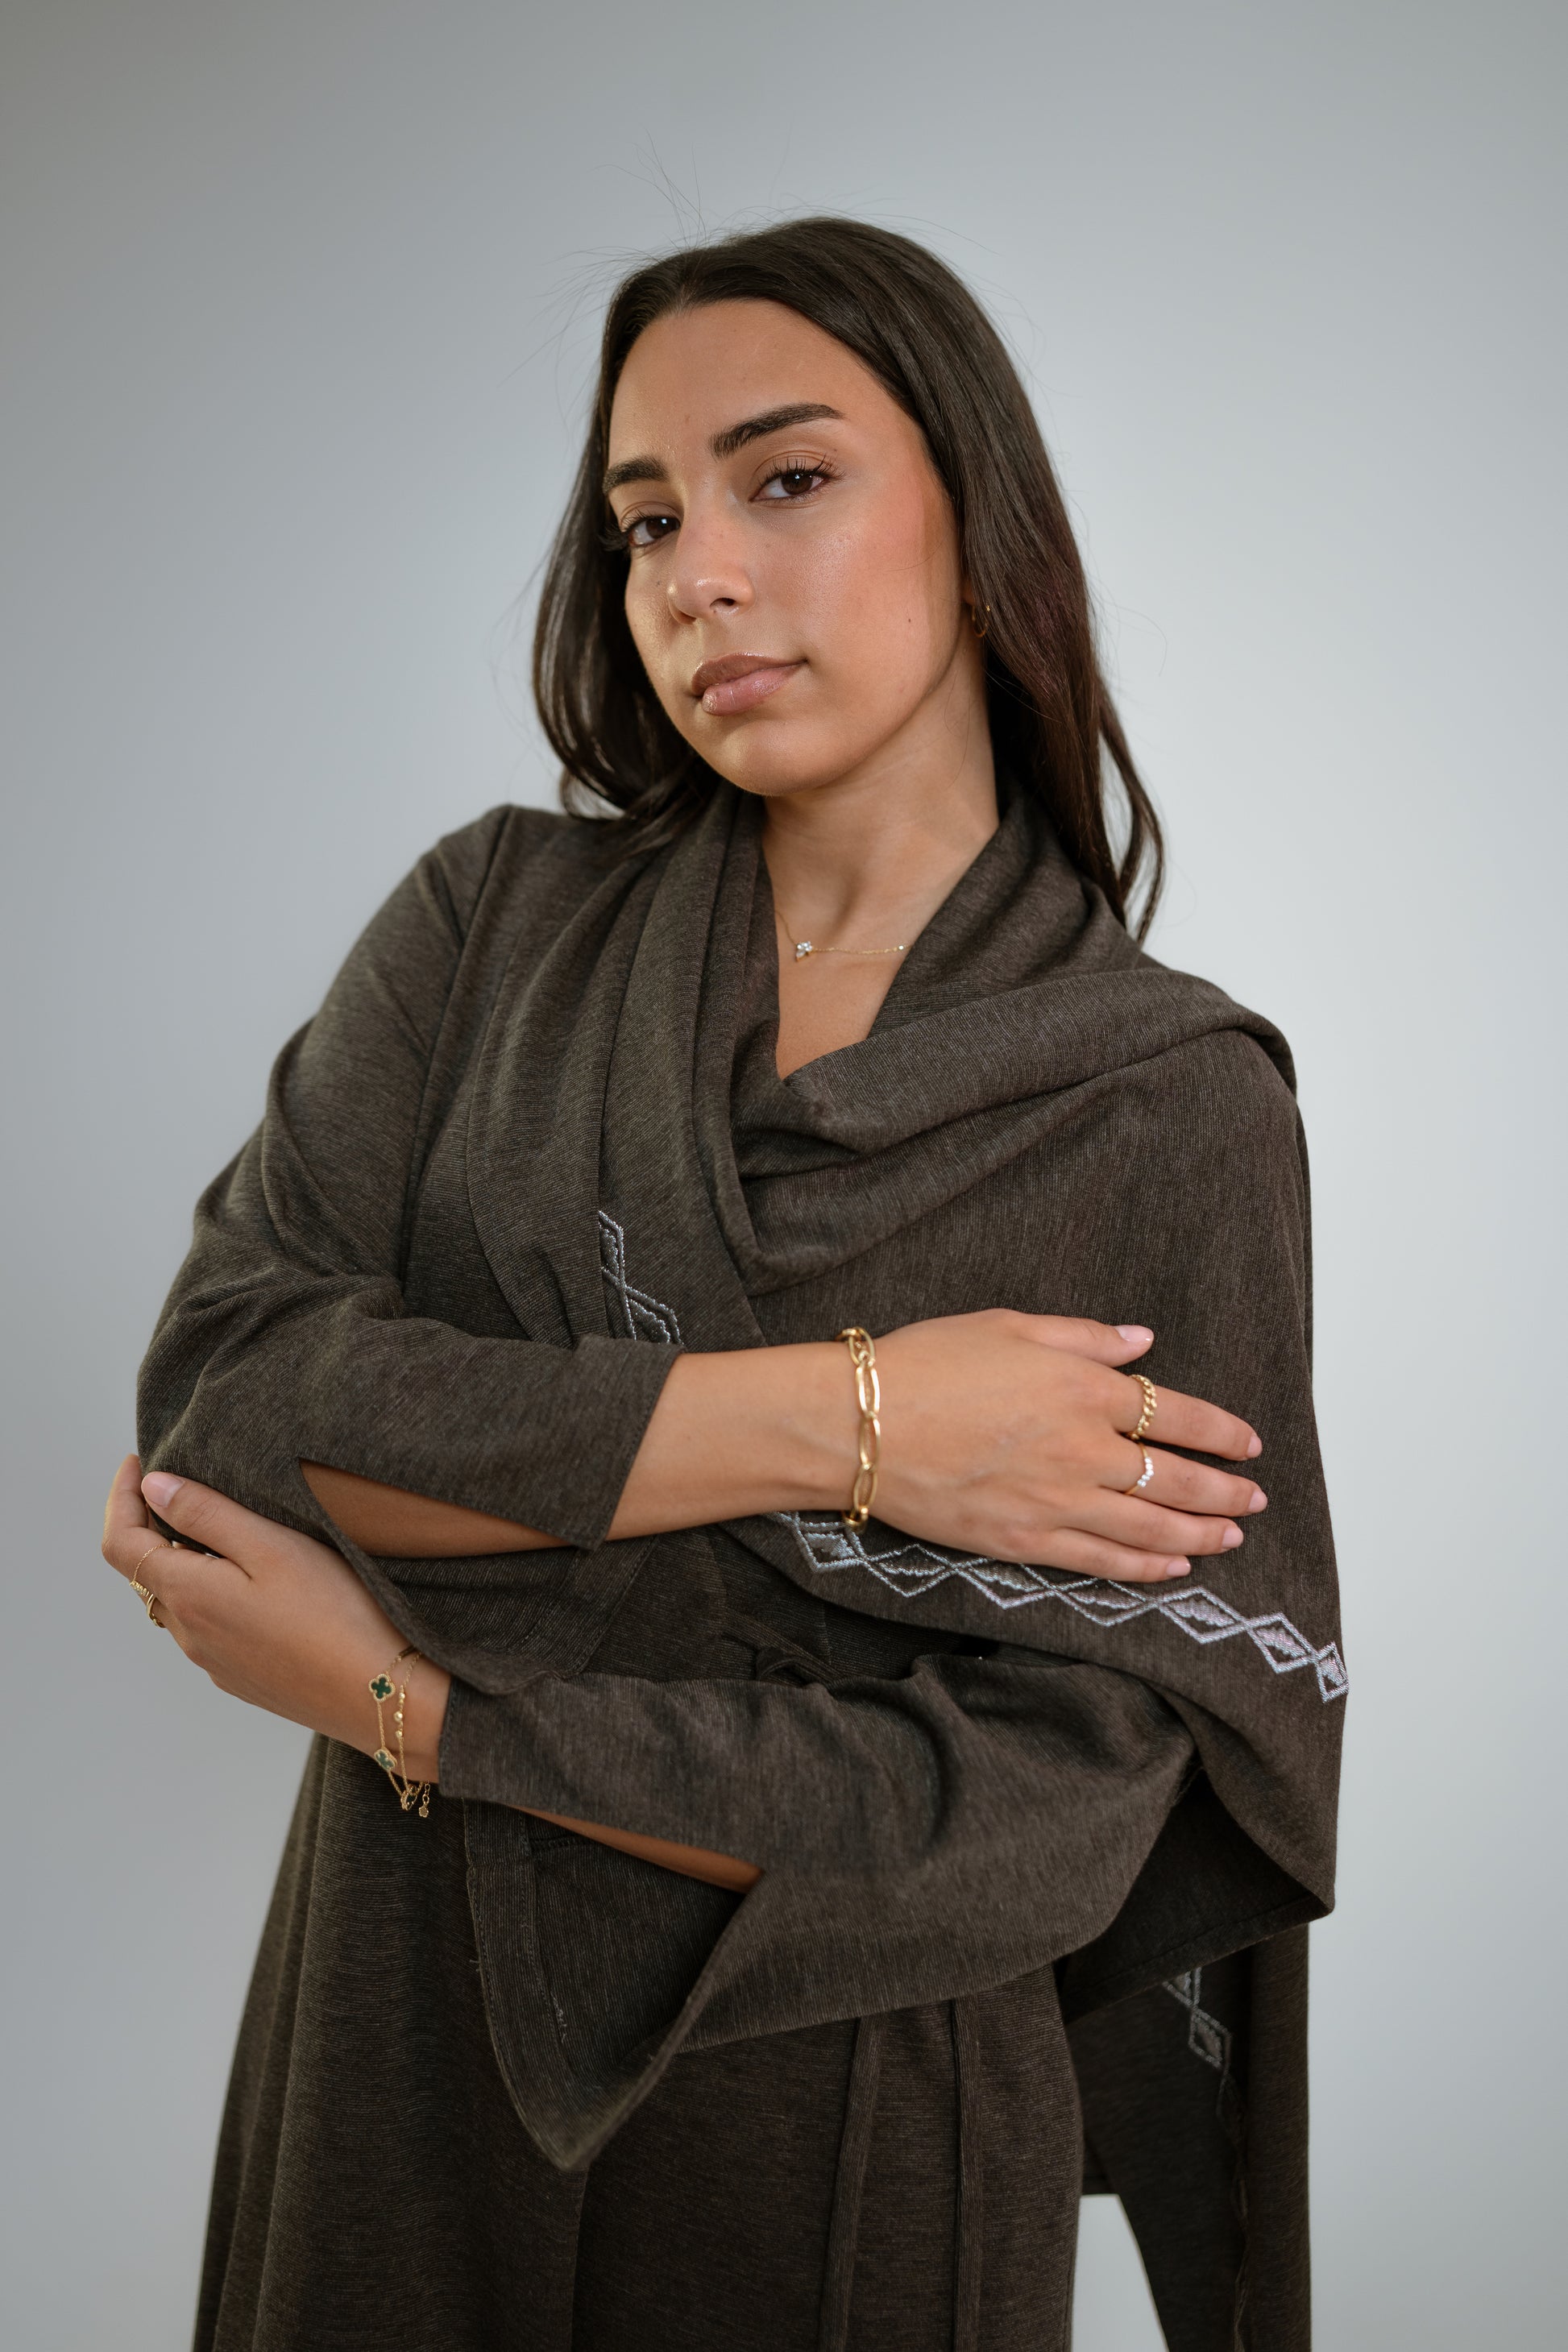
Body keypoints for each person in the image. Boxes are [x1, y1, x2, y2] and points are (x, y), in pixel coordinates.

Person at [105, 218, 1342, 2352]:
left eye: (784, 479)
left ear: (981, 509)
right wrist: (869, 1427)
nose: (693, 573)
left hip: (854, 2120)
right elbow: (235, 1421)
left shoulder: (1163, 1105)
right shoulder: (488, 928)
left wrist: (418, 1701)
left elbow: (1049, 1803)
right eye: (643, 518)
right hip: (397, 2057)